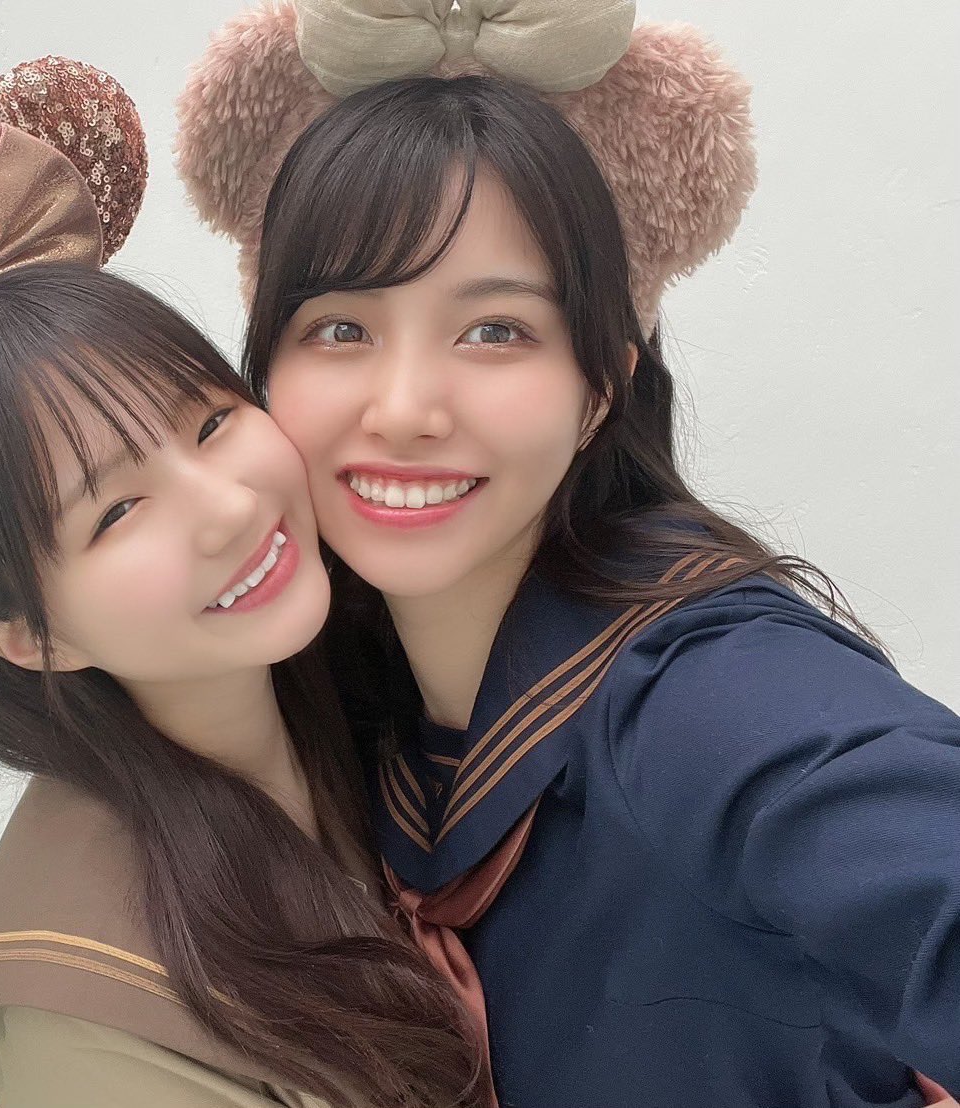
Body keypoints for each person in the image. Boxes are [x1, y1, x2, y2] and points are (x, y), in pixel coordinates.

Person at [177, 3, 960, 1106]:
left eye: (494, 330)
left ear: (601, 388)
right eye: (340, 329)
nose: (402, 409)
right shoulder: (344, 700)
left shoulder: (705, 695)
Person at [0, 56, 487, 1108]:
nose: (227, 507)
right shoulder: (84, 1006)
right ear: (25, 636)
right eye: (116, 511)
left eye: (210, 422)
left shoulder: (363, 696)